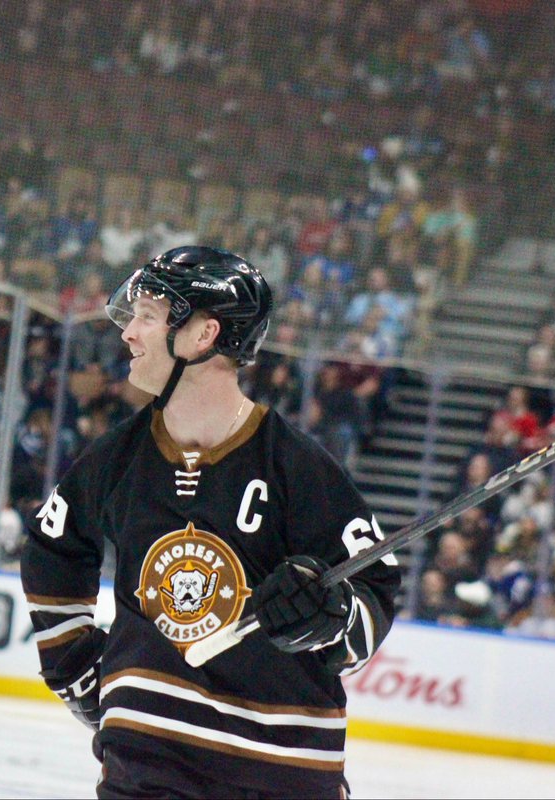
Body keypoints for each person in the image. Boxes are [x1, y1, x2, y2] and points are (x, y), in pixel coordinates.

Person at [21, 246, 400, 798]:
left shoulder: (298, 468)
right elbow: (51, 549)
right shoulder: (117, 460)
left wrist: (331, 619)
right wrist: (75, 668)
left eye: (148, 316)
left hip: (281, 774)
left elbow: (374, 593)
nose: (128, 333)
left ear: (202, 336)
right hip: (145, 766)